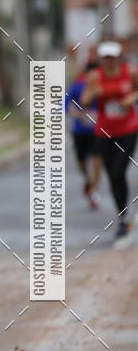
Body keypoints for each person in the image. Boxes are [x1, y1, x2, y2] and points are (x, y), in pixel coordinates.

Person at [81, 41, 138, 241]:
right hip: (104, 132)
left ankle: (124, 218)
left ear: (118, 57)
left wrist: (132, 98)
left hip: (128, 129)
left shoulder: (130, 72)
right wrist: (93, 94)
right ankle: (123, 216)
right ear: (101, 59)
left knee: (118, 170)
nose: (109, 61)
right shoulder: (95, 76)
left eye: (112, 57)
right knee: (112, 176)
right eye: (105, 57)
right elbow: (85, 101)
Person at [65, 61, 101, 209]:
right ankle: (88, 179)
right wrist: (75, 113)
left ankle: (93, 192)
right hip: (80, 131)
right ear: (86, 74)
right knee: (82, 163)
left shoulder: (102, 88)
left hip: (97, 131)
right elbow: (63, 103)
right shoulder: (77, 86)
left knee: (97, 160)